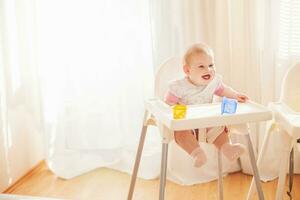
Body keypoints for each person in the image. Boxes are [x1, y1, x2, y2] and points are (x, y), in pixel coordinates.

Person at [165, 43, 248, 168]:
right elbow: (168, 103)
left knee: (219, 129)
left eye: (211, 65)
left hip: (206, 120)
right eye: (201, 66)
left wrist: (236, 95)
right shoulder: (179, 87)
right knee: (181, 133)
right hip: (187, 123)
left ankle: (227, 148)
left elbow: (224, 90)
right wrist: (175, 107)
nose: (208, 70)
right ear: (187, 70)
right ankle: (198, 154)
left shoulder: (213, 83)